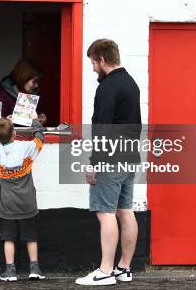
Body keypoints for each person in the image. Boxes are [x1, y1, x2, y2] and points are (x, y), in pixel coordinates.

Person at [75, 39, 141, 286]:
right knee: (125, 211)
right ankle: (124, 268)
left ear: (102, 60)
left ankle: (105, 271)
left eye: (93, 62)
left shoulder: (107, 88)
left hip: (110, 159)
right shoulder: (131, 83)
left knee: (105, 214)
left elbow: (102, 129)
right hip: (129, 157)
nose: (92, 68)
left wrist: (94, 162)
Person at [0, 117, 46, 281]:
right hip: (27, 201)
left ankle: (10, 271)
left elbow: (0, 138)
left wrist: (4, 123)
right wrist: (35, 120)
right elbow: (39, 139)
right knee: (31, 236)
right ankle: (35, 269)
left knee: (8, 237)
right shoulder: (27, 149)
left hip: (6, 204)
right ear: (15, 133)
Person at [0, 59, 47, 124]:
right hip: (11, 133)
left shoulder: (35, 95)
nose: (37, 85)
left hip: (30, 133)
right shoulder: (2, 96)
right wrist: (8, 121)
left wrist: (40, 117)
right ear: (23, 78)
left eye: (37, 82)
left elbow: (37, 116)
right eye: (34, 81)